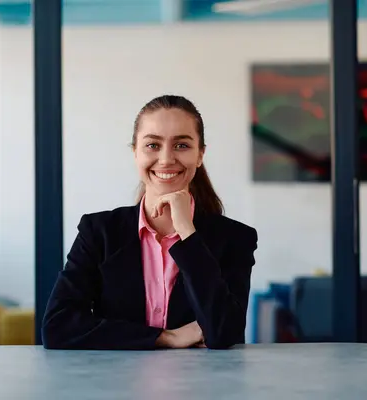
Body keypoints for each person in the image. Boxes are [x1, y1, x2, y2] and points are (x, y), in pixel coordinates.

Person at [41, 95, 258, 350]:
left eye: (182, 145)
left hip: (202, 386)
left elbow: (223, 333)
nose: (166, 159)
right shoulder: (99, 232)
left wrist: (187, 233)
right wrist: (166, 337)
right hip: (114, 386)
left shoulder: (235, 238)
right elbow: (57, 327)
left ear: (200, 155)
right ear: (135, 153)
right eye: (153, 145)